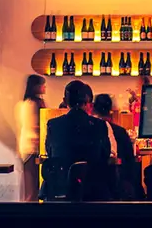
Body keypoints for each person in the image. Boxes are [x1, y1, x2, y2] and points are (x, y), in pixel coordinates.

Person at [43, 80, 111, 201]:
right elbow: (105, 154)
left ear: (64, 101)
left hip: (61, 189)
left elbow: (50, 152)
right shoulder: (99, 125)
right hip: (93, 190)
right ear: (88, 101)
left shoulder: (53, 124)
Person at [93, 93, 143, 200]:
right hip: (119, 185)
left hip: (95, 186)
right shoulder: (120, 132)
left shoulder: (90, 131)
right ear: (111, 110)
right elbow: (130, 161)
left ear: (93, 109)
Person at [16, 74, 46, 202]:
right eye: (42, 85)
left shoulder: (23, 104)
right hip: (33, 147)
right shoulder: (35, 104)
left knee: (29, 186)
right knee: (33, 187)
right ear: (36, 87)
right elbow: (35, 125)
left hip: (25, 146)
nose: (44, 88)